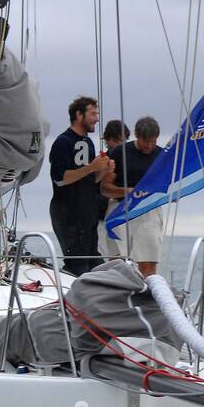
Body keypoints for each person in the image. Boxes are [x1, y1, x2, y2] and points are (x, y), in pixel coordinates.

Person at [49, 96, 112, 276]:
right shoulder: (63, 142)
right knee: (78, 267)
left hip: (87, 215)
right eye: (93, 113)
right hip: (69, 215)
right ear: (79, 115)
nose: (97, 118)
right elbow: (60, 178)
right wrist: (92, 167)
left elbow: (90, 180)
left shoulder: (88, 143)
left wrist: (103, 170)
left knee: (97, 268)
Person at [98, 116, 166, 276]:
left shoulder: (162, 156)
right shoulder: (120, 152)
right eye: (145, 141)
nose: (149, 146)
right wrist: (127, 191)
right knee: (118, 262)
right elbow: (105, 188)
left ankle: (147, 294)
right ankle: (118, 294)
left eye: (153, 141)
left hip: (149, 209)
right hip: (121, 209)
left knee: (149, 258)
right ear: (136, 134)